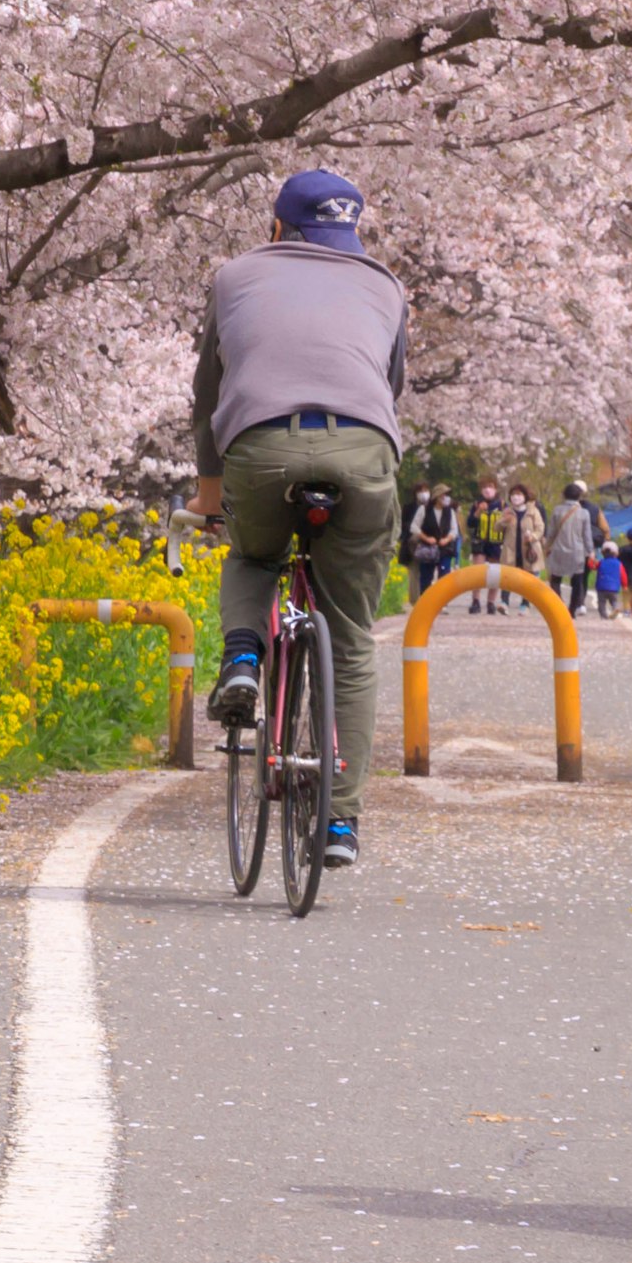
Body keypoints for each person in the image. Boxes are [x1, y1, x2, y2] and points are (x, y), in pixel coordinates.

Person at [193, 169, 408, 869]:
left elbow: (209, 392)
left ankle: (245, 659)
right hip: (364, 449)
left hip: (260, 442)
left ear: (277, 228)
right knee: (348, 638)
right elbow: (389, 385)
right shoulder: (384, 285)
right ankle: (340, 824)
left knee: (254, 556)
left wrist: (208, 490)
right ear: (351, 235)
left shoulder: (234, 277)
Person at [553, 481, 597, 619]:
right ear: (579, 497)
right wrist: (591, 551)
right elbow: (587, 535)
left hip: (558, 549)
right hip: (577, 551)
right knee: (577, 582)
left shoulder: (556, 510)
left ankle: (559, 606)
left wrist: (546, 547)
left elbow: (551, 532)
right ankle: (572, 610)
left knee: (555, 579)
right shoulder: (584, 513)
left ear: (564, 495)